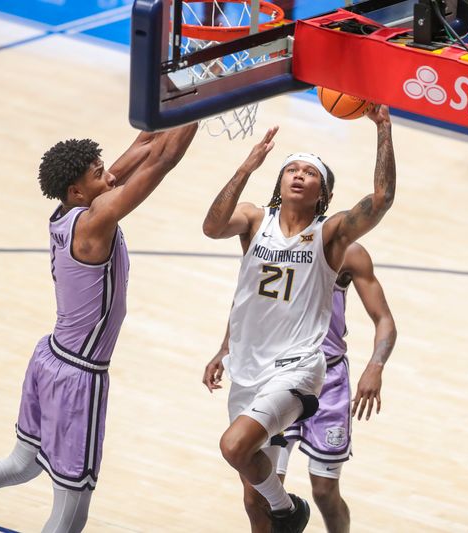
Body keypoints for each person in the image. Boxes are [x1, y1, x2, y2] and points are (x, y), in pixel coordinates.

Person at [0, 123, 198, 533]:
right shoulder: (94, 221)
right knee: (72, 511)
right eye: (101, 174)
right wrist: (210, 102)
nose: (112, 175)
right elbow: (164, 159)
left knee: (19, 464)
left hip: (49, 357)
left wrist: (182, 101)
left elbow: (146, 144)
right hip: (79, 375)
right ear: (78, 192)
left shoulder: (71, 209)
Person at [201, 105, 395, 532]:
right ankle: (283, 510)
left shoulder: (330, 236)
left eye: (310, 172)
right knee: (254, 499)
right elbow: (213, 228)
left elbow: (381, 201)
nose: (299, 175)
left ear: (322, 192)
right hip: (250, 366)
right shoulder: (254, 220)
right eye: (293, 169)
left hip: (301, 367)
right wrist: (247, 166)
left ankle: (289, 510)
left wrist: (383, 129)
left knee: (238, 449)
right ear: (280, 180)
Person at [204, 238, 397, 533]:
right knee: (259, 496)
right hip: (280, 376)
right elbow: (247, 299)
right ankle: (288, 512)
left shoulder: (348, 251)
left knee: (324, 491)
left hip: (328, 379)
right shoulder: (271, 242)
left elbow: (384, 318)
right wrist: (225, 346)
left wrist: (375, 366)